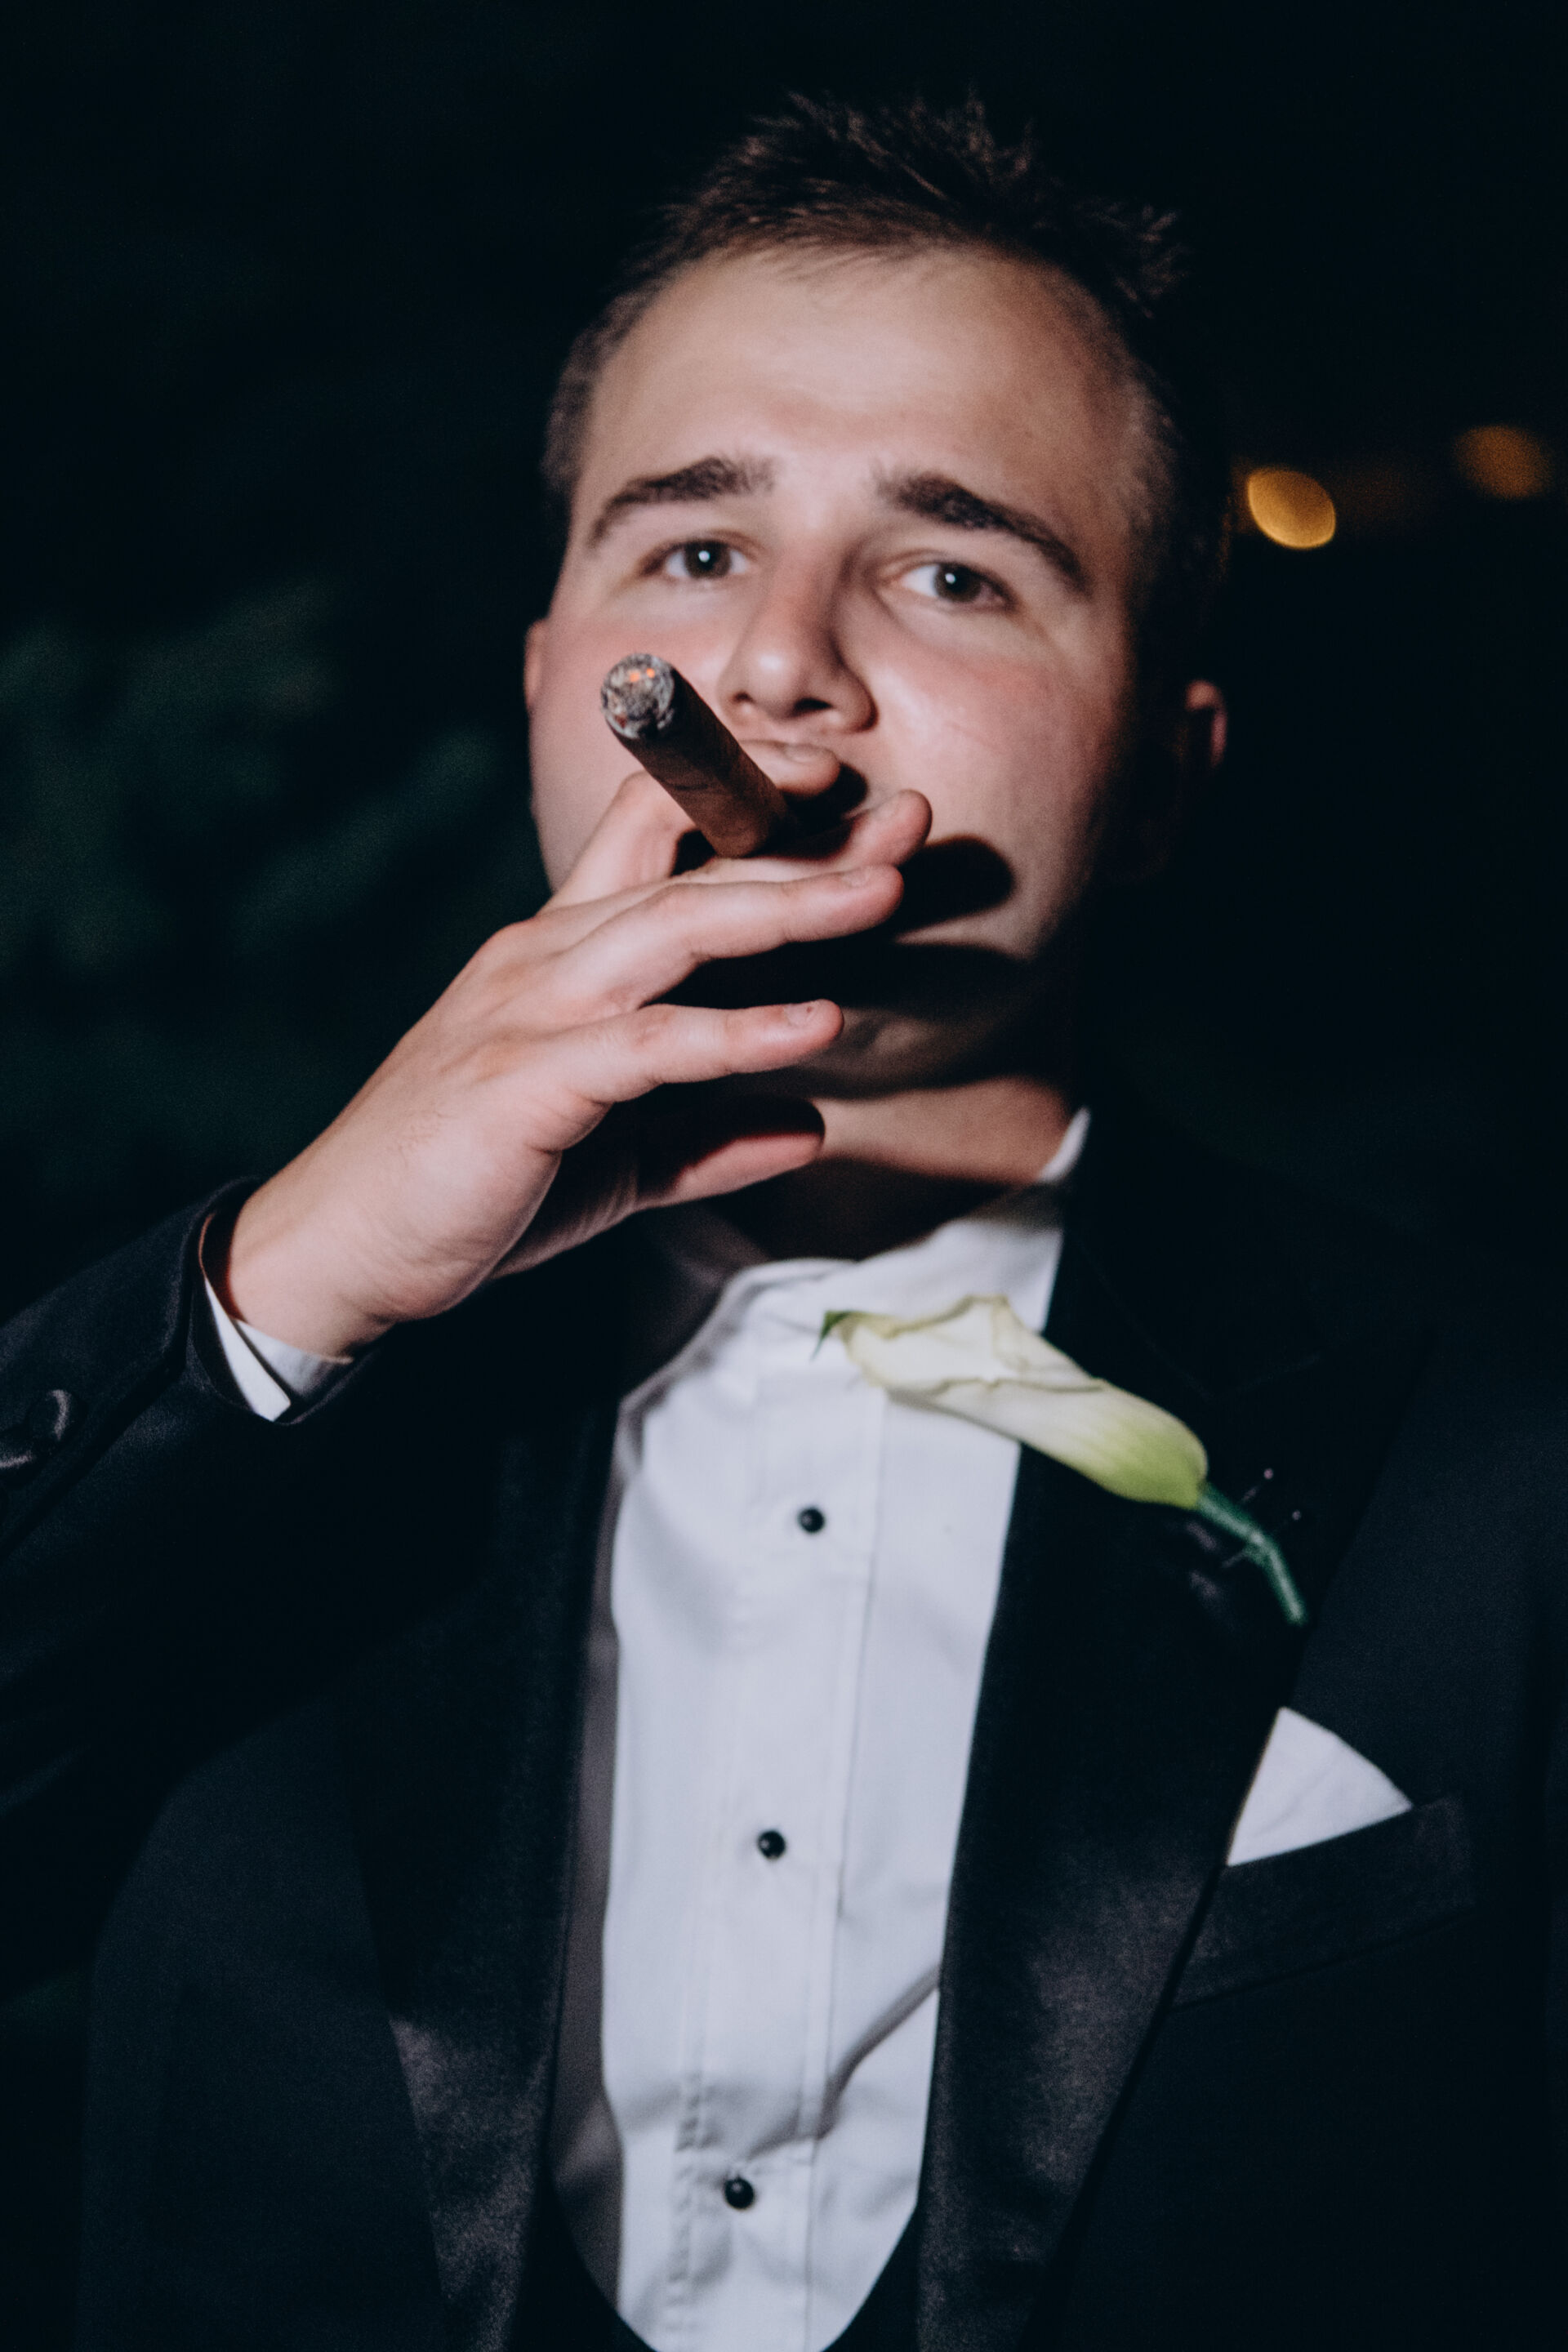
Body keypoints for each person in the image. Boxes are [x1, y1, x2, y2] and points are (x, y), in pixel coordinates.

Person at [0, 94, 1561, 2352]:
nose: (780, 666)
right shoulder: (256, 1384)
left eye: (954, 572)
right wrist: (279, 1287)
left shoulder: (1503, 1454)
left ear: (1163, 767)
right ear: (551, 682)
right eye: (694, 549)